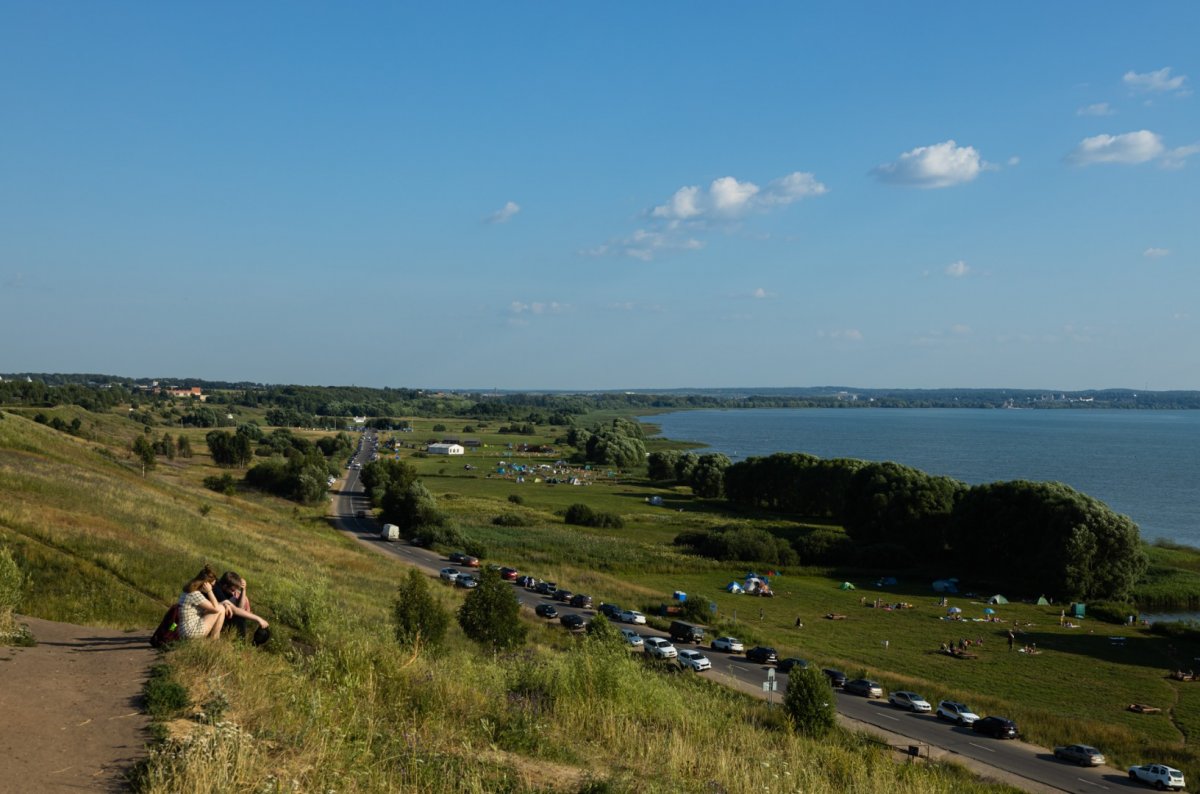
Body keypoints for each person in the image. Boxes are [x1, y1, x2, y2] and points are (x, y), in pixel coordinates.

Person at [213, 571, 269, 639]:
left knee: (240, 616)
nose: (233, 593)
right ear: (225, 586)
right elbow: (236, 610)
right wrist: (258, 619)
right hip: (210, 617)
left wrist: (243, 590)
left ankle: (240, 641)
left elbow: (240, 607)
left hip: (218, 616)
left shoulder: (224, 589)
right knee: (239, 618)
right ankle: (240, 641)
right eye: (232, 590)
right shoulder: (216, 589)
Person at [177, 564, 226, 640]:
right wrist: (209, 591)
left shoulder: (190, 591)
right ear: (205, 584)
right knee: (221, 609)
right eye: (212, 586)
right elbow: (216, 608)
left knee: (221, 607)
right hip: (191, 632)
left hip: (183, 630)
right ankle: (214, 639)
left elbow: (210, 606)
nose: (213, 588)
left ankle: (214, 639)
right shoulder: (195, 594)